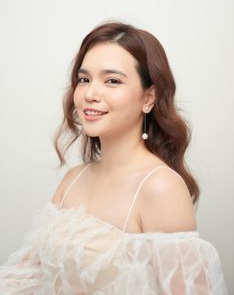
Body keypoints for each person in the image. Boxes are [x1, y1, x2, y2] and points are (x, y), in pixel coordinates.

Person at [0, 21, 227, 294]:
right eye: (84, 80)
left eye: (112, 81)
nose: (90, 94)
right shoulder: (73, 179)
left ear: (148, 98)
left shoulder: (160, 188)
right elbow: (25, 278)